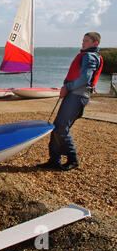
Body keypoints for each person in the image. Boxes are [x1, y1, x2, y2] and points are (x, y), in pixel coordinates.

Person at [39, 32, 103, 171]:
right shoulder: (87, 55)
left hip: (77, 96)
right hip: (74, 95)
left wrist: (67, 87)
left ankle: (73, 159)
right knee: (58, 127)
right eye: (83, 40)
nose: (83, 43)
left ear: (95, 43)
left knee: (61, 127)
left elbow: (84, 79)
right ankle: (54, 160)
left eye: (86, 41)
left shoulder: (90, 57)